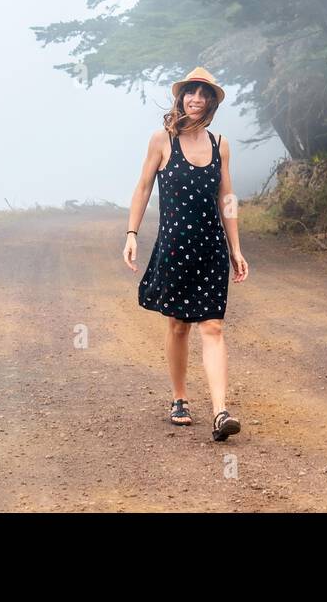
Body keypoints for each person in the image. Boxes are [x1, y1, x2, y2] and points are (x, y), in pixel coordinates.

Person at [123, 67, 249, 442]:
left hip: (210, 248)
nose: (195, 98)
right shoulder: (162, 140)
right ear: (181, 98)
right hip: (175, 248)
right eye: (190, 92)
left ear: (211, 101)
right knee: (178, 325)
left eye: (203, 93)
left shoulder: (220, 143)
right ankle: (179, 399)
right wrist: (131, 234)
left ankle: (221, 411)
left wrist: (235, 249)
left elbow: (226, 200)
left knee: (213, 326)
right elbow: (143, 187)